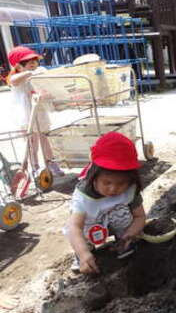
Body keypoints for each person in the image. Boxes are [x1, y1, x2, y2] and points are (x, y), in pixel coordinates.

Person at [65, 132, 146, 274]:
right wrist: (83, 254)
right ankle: (85, 253)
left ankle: (122, 242)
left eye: (121, 183)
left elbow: (140, 216)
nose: (114, 189)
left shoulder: (130, 189)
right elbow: (74, 227)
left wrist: (130, 234)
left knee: (123, 214)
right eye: (107, 183)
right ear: (94, 176)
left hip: (115, 223)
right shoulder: (84, 197)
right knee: (82, 233)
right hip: (91, 224)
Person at [7, 46, 64, 176]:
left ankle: (51, 163)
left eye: (35, 60)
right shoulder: (16, 77)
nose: (33, 63)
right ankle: (35, 167)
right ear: (18, 66)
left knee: (45, 138)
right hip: (26, 114)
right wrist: (29, 73)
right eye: (28, 62)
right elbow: (13, 82)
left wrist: (47, 94)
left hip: (40, 111)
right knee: (32, 142)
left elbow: (47, 87)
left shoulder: (39, 72)